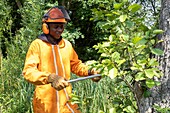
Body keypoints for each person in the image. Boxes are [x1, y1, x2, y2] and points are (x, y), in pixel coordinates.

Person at [22, 6, 101, 113]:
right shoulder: (37, 45)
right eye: (56, 27)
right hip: (46, 105)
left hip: (67, 102)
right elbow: (29, 72)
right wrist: (50, 78)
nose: (60, 30)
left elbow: (76, 65)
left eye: (61, 27)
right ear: (46, 27)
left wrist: (90, 72)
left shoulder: (66, 45)